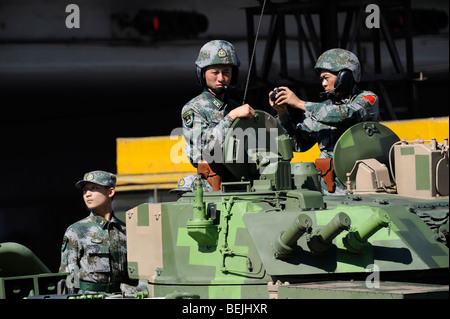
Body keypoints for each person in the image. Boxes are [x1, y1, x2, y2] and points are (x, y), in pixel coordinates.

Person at [269, 48, 379, 193]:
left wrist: (300, 103)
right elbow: (298, 144)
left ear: (344, 77)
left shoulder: (367, 99)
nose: (323, 83)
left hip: (363, 184)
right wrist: (283, 114)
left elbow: (347, 114)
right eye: (321, 79)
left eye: (326, 78)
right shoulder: (321, 110)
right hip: (329, 189)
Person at [59, 170, 140, 295]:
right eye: (85, 190)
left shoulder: (125, 231)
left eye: (93, 188)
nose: (87, 194)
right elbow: (69, 278)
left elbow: (134, 274)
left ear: (110, 192)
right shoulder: (76, 231)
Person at [182, 40, 256, 167]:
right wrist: (231, 117)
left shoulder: (235, 106)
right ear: (202, 74)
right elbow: (203, 148)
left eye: (226, 72)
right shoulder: (193, 109)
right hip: (213, 183)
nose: (221, 78)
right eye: (215, 73)